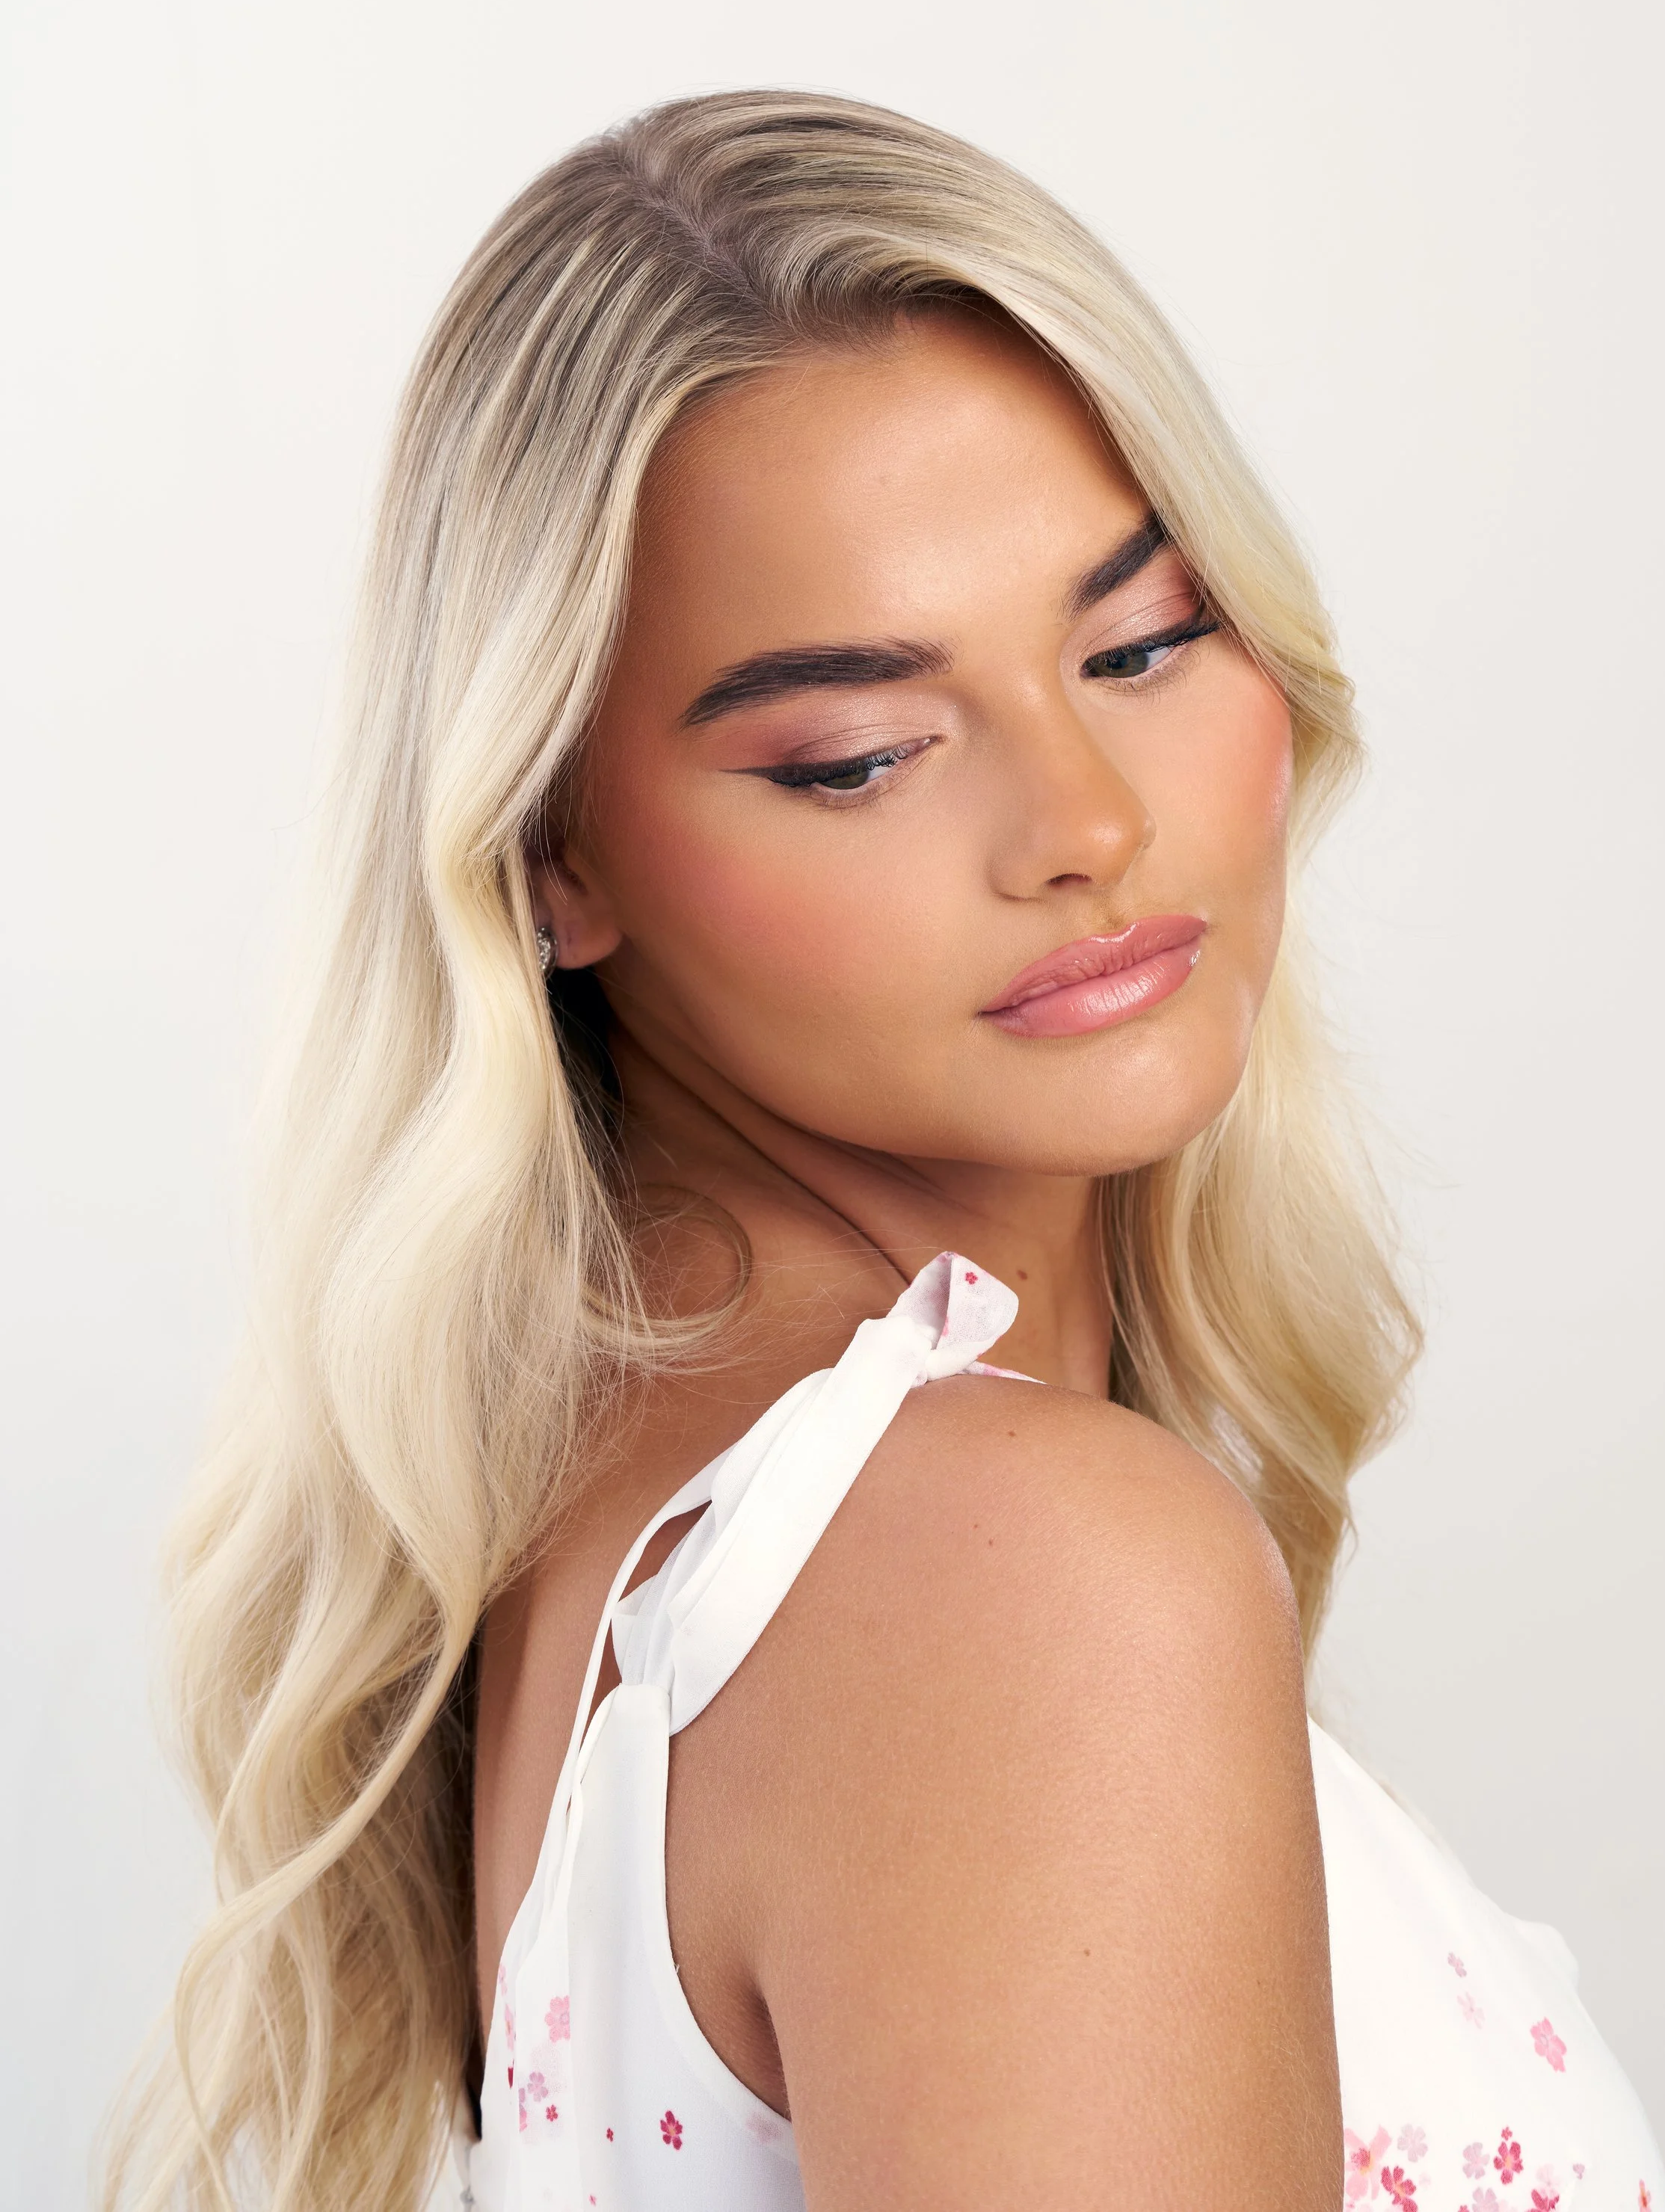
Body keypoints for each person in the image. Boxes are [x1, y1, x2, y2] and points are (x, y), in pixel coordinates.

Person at [105, 90, 1661, 2212]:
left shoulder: (632, 1519)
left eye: (1140, 642)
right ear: (551, 854)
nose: (1086, 825)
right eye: (858, 754)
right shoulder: (1010, 1572)